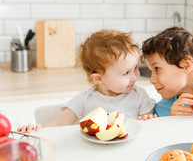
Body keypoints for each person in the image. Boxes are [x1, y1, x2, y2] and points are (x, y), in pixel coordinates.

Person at [18, 29, 156, 133]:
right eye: (126, 72)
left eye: (135, 68)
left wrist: (148, 120)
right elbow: (59, 124)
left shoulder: (140, 96)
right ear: (98, 78)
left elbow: (148, 127)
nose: (135, 76)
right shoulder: (85, 99)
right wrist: (34, 131)